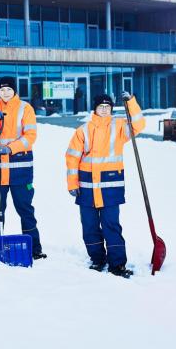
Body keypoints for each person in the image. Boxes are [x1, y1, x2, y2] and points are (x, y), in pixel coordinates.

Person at [65, 92, 146, 277]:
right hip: (86, 188)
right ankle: (97, 259)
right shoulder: (83, 130)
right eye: (101, 107)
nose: (104, 110)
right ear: (95, 108)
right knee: (89, 226)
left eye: (107, 107)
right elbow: (72, 158)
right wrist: (72, 183)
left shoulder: (119, 127)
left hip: (110, 186)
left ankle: (117, 264)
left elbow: (139, 124)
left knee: (111, 225)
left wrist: (131, 102)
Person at [0, 77, 46, 260]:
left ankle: (34, 248)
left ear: (14, 90)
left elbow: (30, 136)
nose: (5, 93)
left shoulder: (25, 108)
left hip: (20, 168)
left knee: (25, 208)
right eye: (2, 90)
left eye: (8, 89)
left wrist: (9, 148)